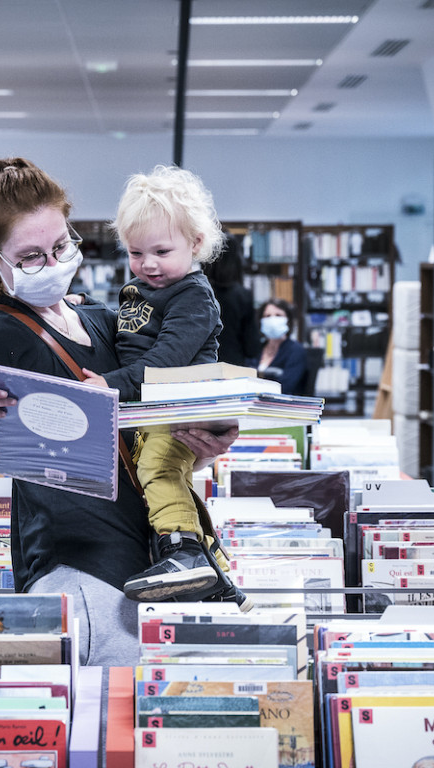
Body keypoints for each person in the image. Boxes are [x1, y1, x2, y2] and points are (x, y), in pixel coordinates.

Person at [0, 158, 237, 667]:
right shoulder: (0, 335)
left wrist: (203, 447)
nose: (53, 262)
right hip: (80, 570)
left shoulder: (106, 319)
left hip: (154, 559)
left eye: (61, 245)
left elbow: (136, 444)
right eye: (31, 256)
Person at [79, 165, 251, 611]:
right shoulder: (139, 289)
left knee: (159, 470)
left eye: (161, 250)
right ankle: (215, 577)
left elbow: (163, 363)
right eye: (136, 252)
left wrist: (109, 386)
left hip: (179, 408)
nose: (148, 264)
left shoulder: (194, 297)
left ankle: (184, 552)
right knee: (162, 480)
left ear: (196, 244)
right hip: (149, 411)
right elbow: (128, 339)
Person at [202, 236, 261, 367]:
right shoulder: (243, 295)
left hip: (204, 365)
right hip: (234, 367)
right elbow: (252, 347)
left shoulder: (199, 292)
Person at [254, 298, 308, 395]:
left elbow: (285, 387)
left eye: (278, 315)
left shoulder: (296, 351)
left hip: (283, 406)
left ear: (288, 320)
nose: (272, 320)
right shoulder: (255, 350)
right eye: (267, 316)